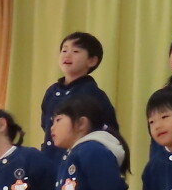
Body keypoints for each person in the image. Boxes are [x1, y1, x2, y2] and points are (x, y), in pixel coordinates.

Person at [39, 31, 118, 159]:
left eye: (76, 51)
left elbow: (107, 133)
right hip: (50, 158)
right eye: (64, 50)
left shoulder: (93, 94)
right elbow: (46, 124)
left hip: (78, 159)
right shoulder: (52, 91)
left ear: (92, 61)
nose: (67, 55)